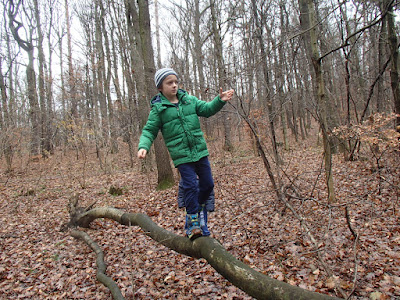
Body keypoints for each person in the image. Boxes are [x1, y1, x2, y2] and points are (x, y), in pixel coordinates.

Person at [137, 68, 234, 240]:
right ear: (160, 87)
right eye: (169, 83)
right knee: (190, 185)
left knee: (208, 184)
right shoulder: (158, 110)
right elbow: (149, 130)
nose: (174, 85)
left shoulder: (189, 100)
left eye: (175, 82)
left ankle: (200, 211)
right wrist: (143, 146)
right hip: (181, 156)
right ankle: (193, 221)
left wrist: (220, 100)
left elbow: (206, 109)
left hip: (200, 151)